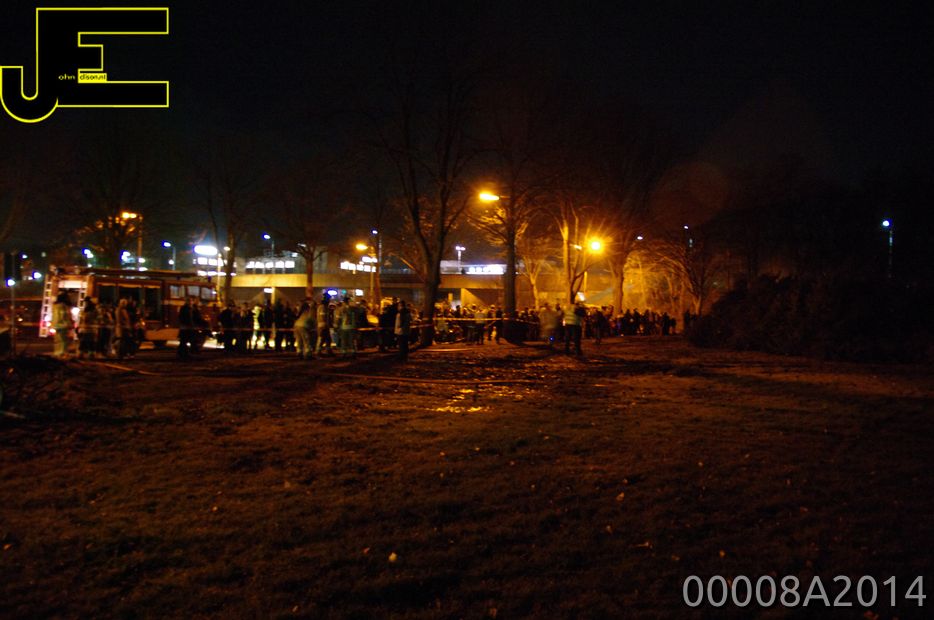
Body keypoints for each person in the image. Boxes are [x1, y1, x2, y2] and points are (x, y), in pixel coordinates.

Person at [51, 292, 74, 359]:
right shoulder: (63, 306)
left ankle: (57, 353)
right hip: (63, 325)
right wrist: (70, 324)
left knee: (58, 340)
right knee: (64, 341)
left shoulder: (55, 306)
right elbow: (64, 316)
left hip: (56, 325)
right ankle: (62, 354)